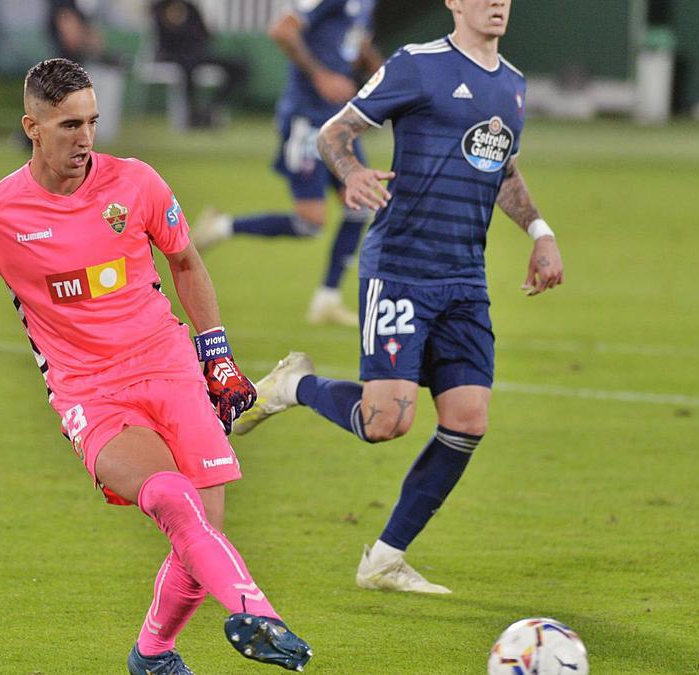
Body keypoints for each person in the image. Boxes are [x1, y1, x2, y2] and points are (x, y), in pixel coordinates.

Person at [0, 58, 313, 673]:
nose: (85, 138)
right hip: (92, 392)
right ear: (32, 126)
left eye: (92, 122)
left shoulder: (136, 183)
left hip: (170, 370)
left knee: (203, 537)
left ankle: (153, 655)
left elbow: (185, 262)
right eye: (67, 126)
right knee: (171, 498)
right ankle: (259, 612)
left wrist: (216, 354)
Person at [233, 0, 565, 594]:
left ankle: (384, 558)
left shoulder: (513, 85)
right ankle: (292, 387)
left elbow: (505, 171)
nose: (497, 4)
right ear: (454, 3)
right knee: (385, 423)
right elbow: (336, 133)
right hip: (401, 269)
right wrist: (352, 173)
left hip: (464, 277)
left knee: (467, 419)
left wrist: (539, 233)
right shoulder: (416, 65)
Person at [191, 0, 381, 326]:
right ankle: (222, 227)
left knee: (361, 203)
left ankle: (327, 299)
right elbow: (282, 29)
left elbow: (354, 39)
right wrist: (322, 75)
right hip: (307, 120)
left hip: (339, 122)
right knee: (310, 222)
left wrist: (383, 74)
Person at [149, 0, 248, 128]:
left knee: (238, 66)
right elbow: (164, 41)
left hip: (197, 55)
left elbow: (205, 35)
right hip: (173, 56)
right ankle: (193, 113)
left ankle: (213, 107)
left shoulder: (191, 9)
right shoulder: (159, 9)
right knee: (187, 67)